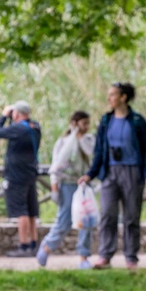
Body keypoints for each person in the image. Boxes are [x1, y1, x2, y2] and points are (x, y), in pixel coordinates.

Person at [78, 82, 146, 270]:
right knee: (107, 214)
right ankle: (105, 255)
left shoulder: (137, 121)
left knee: (131, 216)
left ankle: (131, 256)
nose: (109, 98)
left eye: (113, 95)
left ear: (123, 97)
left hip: (132, 171)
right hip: (110, 172)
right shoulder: (106, 121)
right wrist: (91, 174)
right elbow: (99, 151)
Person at [37, 111, 95, 269]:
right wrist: (54, 187)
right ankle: (47, 247)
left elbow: (92, 155)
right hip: (67, 184)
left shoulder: (89, 140)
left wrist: (80, 137)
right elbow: (56, 164)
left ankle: (83, 256)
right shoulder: (62, 143)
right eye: (84, 123)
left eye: (88, 123)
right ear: (75, 123)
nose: (87, 127)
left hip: (84, 184)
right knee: (64, 221)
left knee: (86, 221)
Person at [0, 101, 42, 257]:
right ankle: (34, 244)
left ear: (16, 113)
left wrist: (3, 116)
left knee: (21, 211)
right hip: (30, 173)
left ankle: (24, 245)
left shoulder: (19, 129)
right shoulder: (35, 127)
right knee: (31, 211)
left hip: (16, 176)